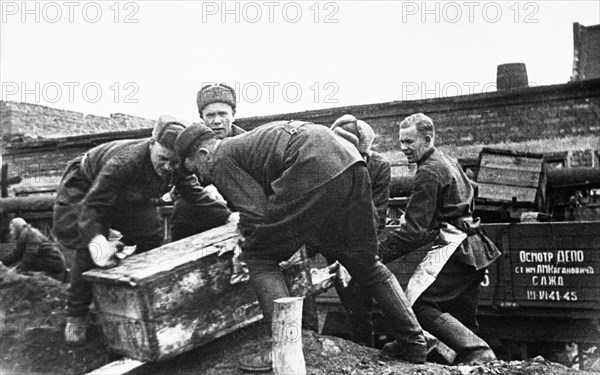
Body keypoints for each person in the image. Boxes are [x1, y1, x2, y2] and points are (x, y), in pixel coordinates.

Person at [175, 121, 427, 372]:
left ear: (203, 154)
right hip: (350, 160)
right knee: (365, 262)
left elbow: (256, 213)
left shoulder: (220, 159)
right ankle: (413, 342)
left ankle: (283, 348)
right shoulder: (243, 145)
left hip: (313, 162)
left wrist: (248, 241)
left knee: (259, 257)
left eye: (194, 170)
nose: (199, 178)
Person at [53, 115, 231, 345]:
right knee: (86, 244)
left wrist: (227, 216)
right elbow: (92, 209)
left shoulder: (179, 165)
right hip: (86, 186)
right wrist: (99, 245)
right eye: (163, 159)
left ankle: (136, 296)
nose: (168, 167)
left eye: (174, 162)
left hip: (129, 194)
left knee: (149, 234)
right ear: (151, 145)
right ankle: (76, 314)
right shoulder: (124, 162)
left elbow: (194, 193)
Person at [378, 113, 501, 364]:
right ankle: (456, 357)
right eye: (401, 142)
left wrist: (376, 255)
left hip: (456, 246)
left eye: (409, 142)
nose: (404, 148)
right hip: (476, 247)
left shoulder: (429, 171)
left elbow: (412, 232)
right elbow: (471, 191)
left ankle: (478, 352)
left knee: (417, 303)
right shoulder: (448, 161)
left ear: (427, 139)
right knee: (460, 313)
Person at [326, 114, 391, 347]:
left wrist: (356, 255)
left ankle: (367, 356)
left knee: (362, 305)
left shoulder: (379, 167)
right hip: (333, 242)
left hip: (363, 242)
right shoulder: (326, 164)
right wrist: (340, 256)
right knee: (352, 305)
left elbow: (378, 216)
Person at [170, 83, 245, 240]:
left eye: (223, 114)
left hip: (245, 204)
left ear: (233, 114)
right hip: (210, 208)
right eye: (210, 115)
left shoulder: (246, 143)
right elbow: (180, 190)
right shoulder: (190, 144)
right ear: (201, 118)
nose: (217, 121)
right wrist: (204, 192)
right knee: (183, 207)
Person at [2, 217, 67, 282]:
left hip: (54, 267)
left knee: (23, 274)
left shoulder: (31, 235)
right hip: (46, 265)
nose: (11, 233)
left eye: (12, 230)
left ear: (18, 228)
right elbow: (15, 254)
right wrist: (2, 262)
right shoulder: (24, 237)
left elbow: (29, 257)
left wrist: (15, 270)